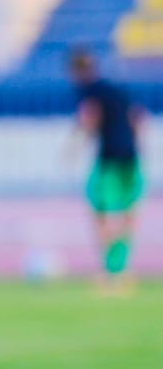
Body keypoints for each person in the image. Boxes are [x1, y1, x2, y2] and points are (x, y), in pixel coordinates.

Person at [69, 48, 146, 292]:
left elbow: (90, 117)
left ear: (76, 71)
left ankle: (109, 270)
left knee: (101, 212)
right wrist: (137, 147)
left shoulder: (91, 90)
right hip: (130, 156)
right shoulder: (118, 89)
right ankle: (123, 268)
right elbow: (138, 118)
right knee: (128, 212)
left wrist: (74, 144)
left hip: (109, 158)